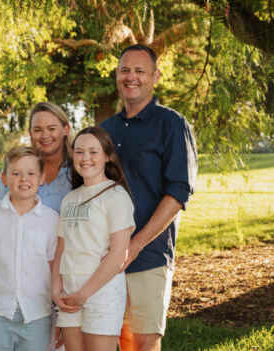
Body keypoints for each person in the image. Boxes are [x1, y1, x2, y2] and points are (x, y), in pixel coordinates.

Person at [100, 44, 197, 351]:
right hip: (103, 259)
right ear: (116, 75)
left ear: (155, 77)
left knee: (141, 346)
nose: (131, 77)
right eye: (125, 70)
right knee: (106, 342)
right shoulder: (105, 130)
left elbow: (179, 192)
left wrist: (135, 244)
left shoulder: (172, 125)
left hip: (149, 257)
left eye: (140, 71)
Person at [0, 102, 72, 349]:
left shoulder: (77, 172)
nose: (45, 135)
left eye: (51, 128)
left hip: (58, 280)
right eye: (37, 129)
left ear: (65, 129)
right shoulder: (18, 167)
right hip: (6, 297)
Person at [51, 126, 135, 351]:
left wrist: (84, 294)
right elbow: (61, 249)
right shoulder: (69, 199)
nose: (85, 158)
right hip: (70, 295)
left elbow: (118, 254)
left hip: (101, 292)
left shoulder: (116, 196)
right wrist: (56, 290)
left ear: (107, 156)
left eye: (93, 152)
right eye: (79, 152)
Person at [0, 146, 59, 351]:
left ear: (42, 178)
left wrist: (59, 314)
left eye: (31, 173)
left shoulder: (51, 220)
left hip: (37, 315)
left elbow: (55, 268)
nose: (23, 179)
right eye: (16, 173)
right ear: (4, 178)